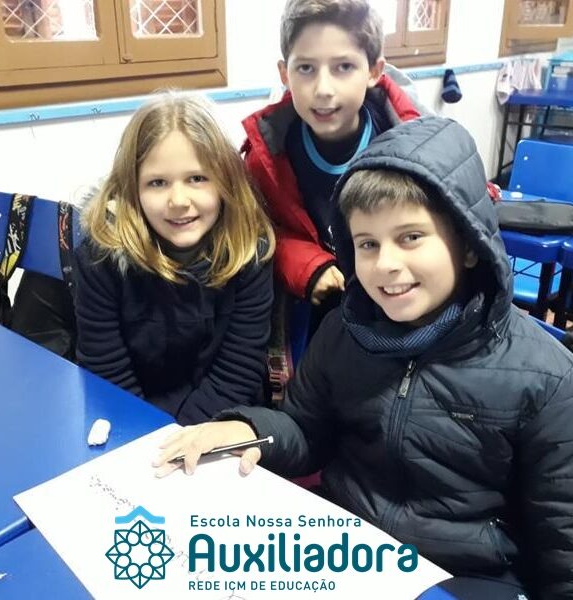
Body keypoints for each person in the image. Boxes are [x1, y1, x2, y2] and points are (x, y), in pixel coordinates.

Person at [153, 116, 573, 598]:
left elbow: (562, 538)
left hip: (467, 573)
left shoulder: (547, 377)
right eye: (368, 244)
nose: (386, 264)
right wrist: (252, 430)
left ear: (468, 245)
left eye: (411, 237)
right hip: (347, 545)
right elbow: (306, 431)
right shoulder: (344, 331)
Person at [73, 92, 276, 426]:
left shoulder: (250, 252)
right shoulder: (99, 258)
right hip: (131, 420)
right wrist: (152, 435)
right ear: (132, 188)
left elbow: (239, 369)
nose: (178, 201)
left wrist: (183, 437)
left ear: (225, 181)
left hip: (220, 420)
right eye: (157, 183)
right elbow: (105, 368)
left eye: (197, 178)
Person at [241, 0, 425, 319]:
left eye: (344, 67)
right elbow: (260, 231)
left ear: (374, 71)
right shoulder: (267, 157)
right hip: (326, 309)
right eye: (306, 68)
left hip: (403, 301)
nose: (323, 89)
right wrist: (307, 264)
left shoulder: (415, 141)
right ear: (285, 74)